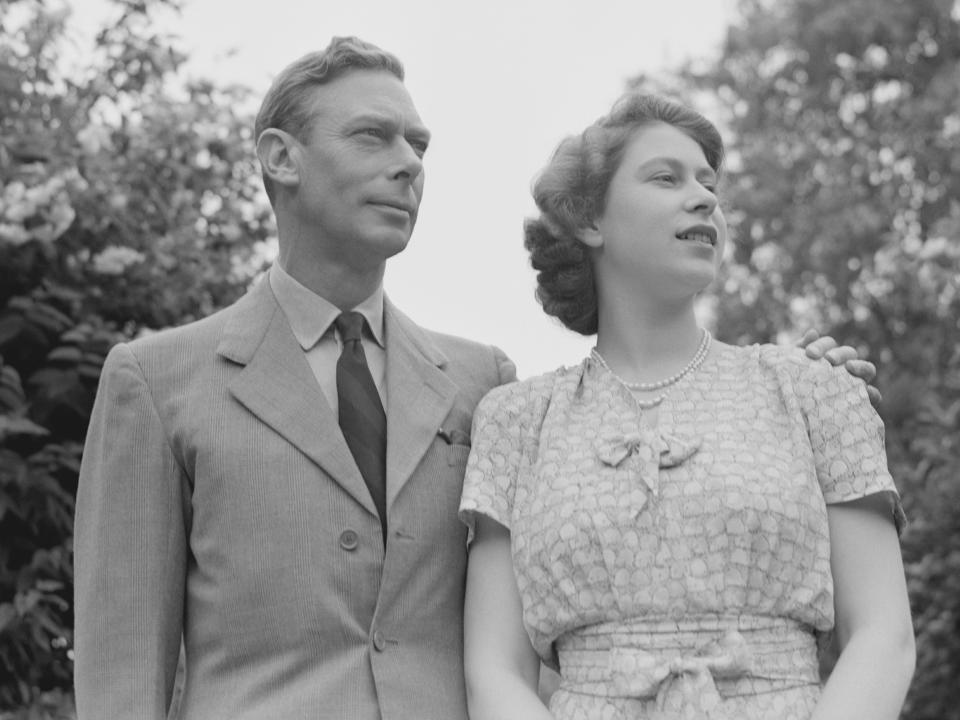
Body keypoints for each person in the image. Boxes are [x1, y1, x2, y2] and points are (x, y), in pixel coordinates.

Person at [72, 37, 876, 720]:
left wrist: (800, 389)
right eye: (372, 138)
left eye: (418, 147)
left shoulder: (481, 384)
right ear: (281, 158)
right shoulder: (156, 381)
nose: (407, 166)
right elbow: (120, 675)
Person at [459, 93, 914, 719]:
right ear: (590, 220)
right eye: (666, 178)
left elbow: (883, 637)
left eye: (710, 184)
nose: (704, 198)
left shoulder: (815, 391)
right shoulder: (515, 422)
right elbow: (494, 669)